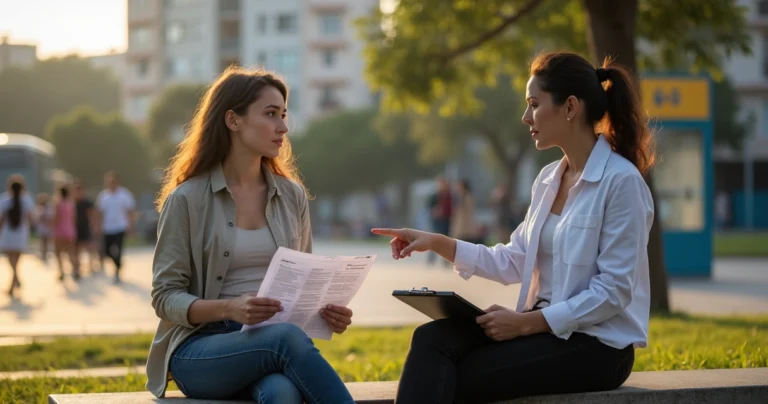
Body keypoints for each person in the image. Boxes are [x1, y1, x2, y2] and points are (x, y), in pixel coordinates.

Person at [372, 51, 655, 403]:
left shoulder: (621, 183)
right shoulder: (548, 179)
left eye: (534, 104)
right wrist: (437, 242)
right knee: (431, 339)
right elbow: (515, 259)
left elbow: (613, 292)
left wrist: (525, 324)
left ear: (570, 107)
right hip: (542, 330)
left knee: (462, 373)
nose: (526, 117)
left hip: (597, 346)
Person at [145, 66, 356, 403]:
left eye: (284, 115)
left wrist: (326, 313)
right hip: (201, 349)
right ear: (233, 120)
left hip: (272, 344)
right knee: (284, 339)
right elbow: (165, 297)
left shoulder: (292, 196)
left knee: (282, 394)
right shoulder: (186, 199)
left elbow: (304, 282)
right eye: (271, 114)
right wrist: (229, 308)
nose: (283, 127)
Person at [95, 171, 135, 284]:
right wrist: (98, 226)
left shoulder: (124, 195)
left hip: (120, 227)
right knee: (107, 251)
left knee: (118, 248)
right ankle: (118, 264)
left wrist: (131, 226)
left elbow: (130, 211)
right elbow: (100, 213)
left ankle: (117, 270)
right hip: (107, 228)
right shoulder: (103, 196)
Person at [0, 175, 36, 297]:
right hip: (21, 233)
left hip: (8, 233)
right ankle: (16, 279)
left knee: (11, 259)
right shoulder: (26, 200)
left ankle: (13, 282)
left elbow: (1, 219)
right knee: (17, 260)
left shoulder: (5, 199)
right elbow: (31, 217)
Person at [53, 186, 79, 281]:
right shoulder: (71, 204)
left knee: (58, 253)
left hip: (60, 231)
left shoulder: (59, 204)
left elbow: (56, 218)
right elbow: (74, 219)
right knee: (71, 252)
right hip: (70, 230)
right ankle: (75, 270)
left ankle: (61, 271)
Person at [426, 176, 453, 266]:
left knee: (446, 241)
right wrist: (434, 211)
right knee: (434, 239)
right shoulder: (435, 196)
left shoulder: (449, 196)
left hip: (446, 220)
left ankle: (446, 260)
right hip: (436, 221)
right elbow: (429, 207)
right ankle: (431, 259)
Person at [74, 181, 98, 273]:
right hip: (75, 228)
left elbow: (93, 215)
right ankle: (77, 268)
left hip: (86, 227)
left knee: (89, 248)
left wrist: (94, 226)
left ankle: (91, 266)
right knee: (76, 249)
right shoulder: (72, 202)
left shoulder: (87, 202)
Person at [449, 179, 478, 244]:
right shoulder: (459, 196)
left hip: (465, 228)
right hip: (460, 227)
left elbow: (468, 211)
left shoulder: (467, 197)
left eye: (459, 185)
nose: (457, 187)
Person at [35, 193, 54, 264]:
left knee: (46, 241)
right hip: (42, 227)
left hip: (47, 227)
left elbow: (50, 218)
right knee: (42, 241)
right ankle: (43, 254)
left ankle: (45, 254)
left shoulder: (49, 207)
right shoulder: (39, 207)